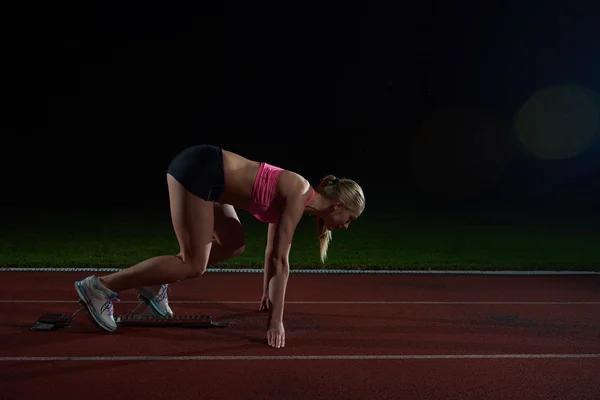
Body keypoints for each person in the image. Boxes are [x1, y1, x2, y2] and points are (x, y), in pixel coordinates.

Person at [73, 144, 365, 348]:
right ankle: (99, 287)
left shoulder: (299, 202)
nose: (347, 225)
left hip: (210, 178)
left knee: (234, 243)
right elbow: (280, 260)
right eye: (350, 218)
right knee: (193, 263)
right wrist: (276, 322)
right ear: (338, 205)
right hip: (201, 170)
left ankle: (152, 284)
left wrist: (267, 294)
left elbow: (271, 251)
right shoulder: (299, 191)